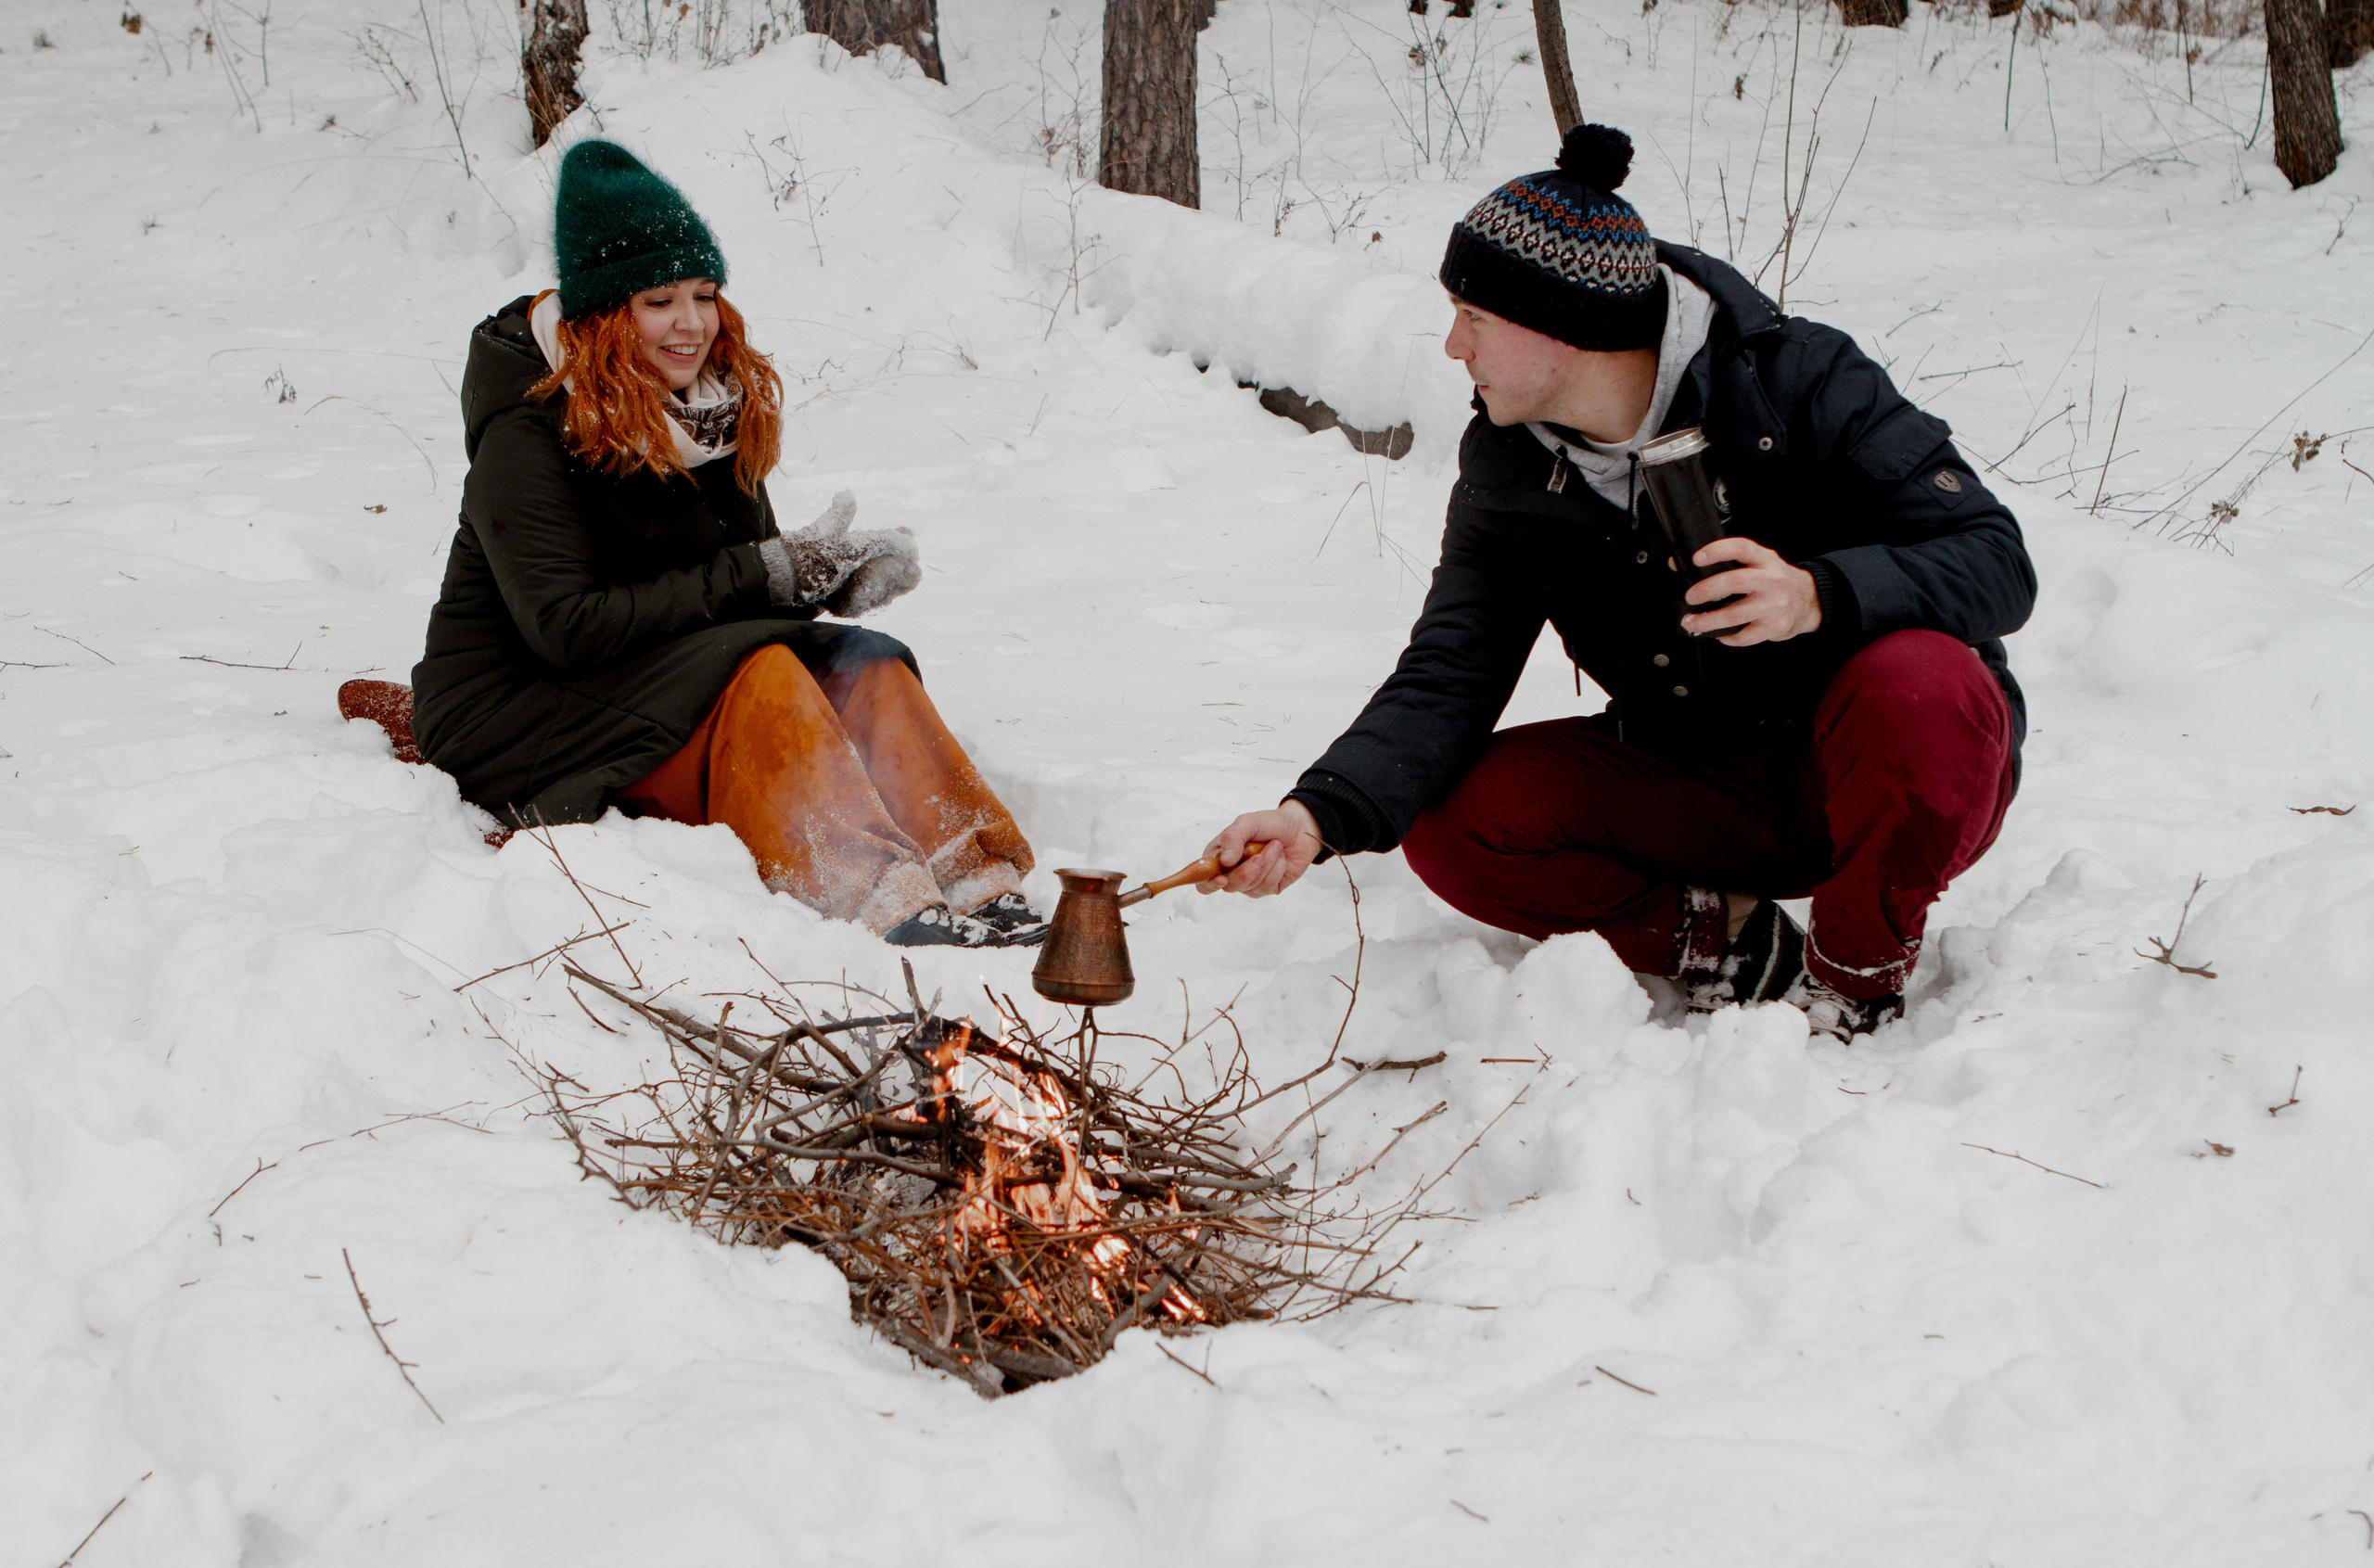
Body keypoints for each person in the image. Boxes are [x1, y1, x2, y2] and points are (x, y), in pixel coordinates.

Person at [1195, 124, 2036, 1040]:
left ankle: (1853, 982)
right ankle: (1739, 951)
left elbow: (1996, 559)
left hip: (1894, 770)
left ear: (1564, 327)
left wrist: (1816, 593)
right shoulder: (1510, 465)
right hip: (1700, 772)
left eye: (1472, 318)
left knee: (1922, 679)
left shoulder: (1797, 379)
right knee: (1462, 822)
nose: (1451, 346)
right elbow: (1453, 665)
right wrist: (1316, 812)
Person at [409, 140, 1039, 948]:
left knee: (864, 660)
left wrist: (820, 583)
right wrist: (765, 576)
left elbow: (740, 580)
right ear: (606, 313)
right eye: (659, 300)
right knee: (765, 674)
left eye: (704, 295)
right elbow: (567, 627)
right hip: (517, 705)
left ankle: (979, 875)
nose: (691, 323)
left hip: (644, 671)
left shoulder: (709, 411)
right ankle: (875, 893)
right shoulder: (527, 431)